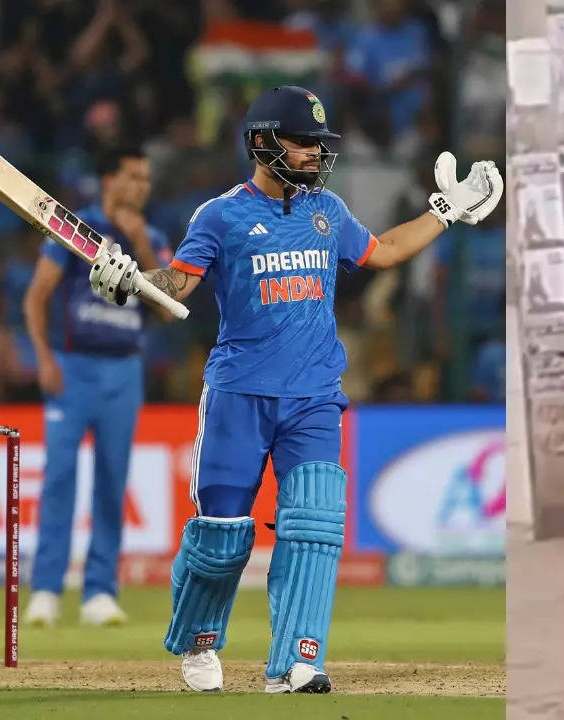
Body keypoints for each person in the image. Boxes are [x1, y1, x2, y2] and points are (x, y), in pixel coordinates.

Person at [84, 85, 502, 693]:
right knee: (222, 535)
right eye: (301, 141)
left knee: (314, 523)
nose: (313, 153)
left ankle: (298, 660)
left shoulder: (325, 211)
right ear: (261, 142)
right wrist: (129, 281)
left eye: (317, 143)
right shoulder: (220, 216)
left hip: (313, 397)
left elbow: (383, 252)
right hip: (238, 395)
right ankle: (200, 645)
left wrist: (447, 211)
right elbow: (175, 284)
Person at [22, 145, 170, 627]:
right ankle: (45, 590)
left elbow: (167, 308)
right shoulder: (75, 228)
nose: (141, 188)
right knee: (60, 476)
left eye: (147, 180)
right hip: (73, 367)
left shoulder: (152, 237)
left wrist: (140, 245)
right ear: (109, 179)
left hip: (123, 371)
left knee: (112, 480)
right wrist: (44, 357)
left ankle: (99, 594)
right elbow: (36, 296)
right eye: (133, 176)